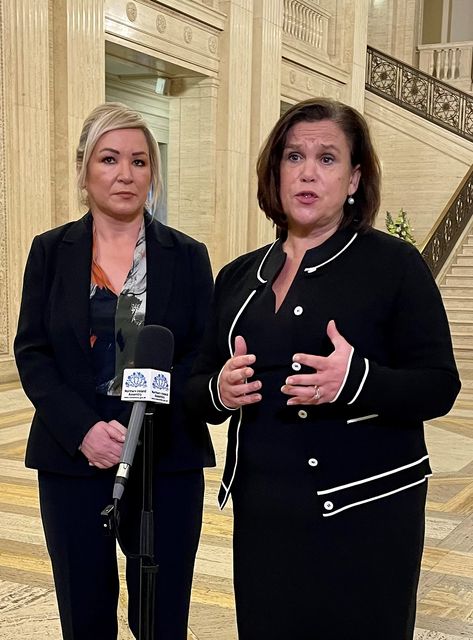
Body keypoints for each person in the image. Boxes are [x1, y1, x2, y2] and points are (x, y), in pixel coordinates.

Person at [187, 97, 461, 639]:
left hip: (367, 516)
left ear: (355, 178)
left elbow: (440, 386)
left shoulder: (394, 266)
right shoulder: (240, 277)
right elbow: (197, 386)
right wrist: (219, 390)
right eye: (294, 156)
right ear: (275, 172)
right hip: (266, 517)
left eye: (328, 158)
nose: (308, 172)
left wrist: (356, 380)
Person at [14, 102, 215, 640]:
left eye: (140, 161)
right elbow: (33, 352)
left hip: (165, 459)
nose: (126, 174)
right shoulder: (51, 252)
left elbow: (199, 354)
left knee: (161, 614)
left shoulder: (188, 256)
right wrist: (83, 431)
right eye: (109, 159)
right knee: (84, 613)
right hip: (73, 457)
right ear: (84, 168)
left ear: (153, 172)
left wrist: (147, 429)